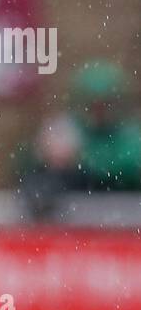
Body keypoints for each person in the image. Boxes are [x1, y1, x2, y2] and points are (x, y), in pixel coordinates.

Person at [14, 62, 141, 219]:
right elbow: (24, 163)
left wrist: (80, 159)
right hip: (71, 215)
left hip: (125, 213)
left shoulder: (130, 133)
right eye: (93, 105)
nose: (99, 111)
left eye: (105, 104)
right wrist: (43, 155)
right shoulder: (66, 128)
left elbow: (128, 167)